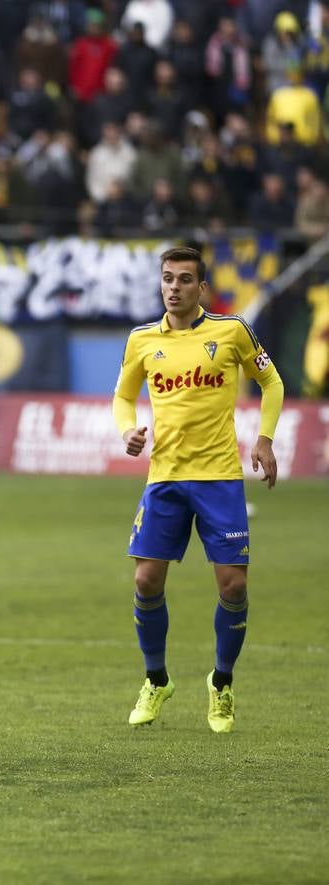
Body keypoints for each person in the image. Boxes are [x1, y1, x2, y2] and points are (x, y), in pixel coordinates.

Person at [113, 246, 283, 733]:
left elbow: (272, 385)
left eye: (185, 280)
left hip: (220, 479)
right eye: (167, 278)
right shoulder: (143, 340)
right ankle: (156, 679)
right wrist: (127, 430)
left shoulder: (232, 331)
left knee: (233, 585)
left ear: (201, 288)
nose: (173, 287)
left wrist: (265, 440)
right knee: (146, 581)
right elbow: (124, 396)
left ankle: (222, 684)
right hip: (164, 478)